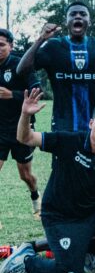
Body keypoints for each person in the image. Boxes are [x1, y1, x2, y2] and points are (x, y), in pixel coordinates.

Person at [0, 93, 95, 273]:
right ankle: (25, 261)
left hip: (92, 215)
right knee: (68, 271)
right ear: (90, 124)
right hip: (60, 217)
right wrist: (25, 114)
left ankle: (91, 252)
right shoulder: (69, 141)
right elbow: (25, 138)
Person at [16, 2, 95, 132]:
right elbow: (21, 70)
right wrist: (41, 39)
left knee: (93, 153)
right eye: (72, 14)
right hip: (62, 123)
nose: (77, 16)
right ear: (66, 21)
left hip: (94, 124)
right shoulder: (53, 46)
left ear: (89, 21)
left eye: (83, 14)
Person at [0, 28, 41, 215]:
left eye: (1, 45)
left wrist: (13, 95)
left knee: (25, 175)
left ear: (11, 46)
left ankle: (35, 195)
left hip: (21, 129)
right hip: (0, 129)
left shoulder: (21, 65)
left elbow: (38, 90)